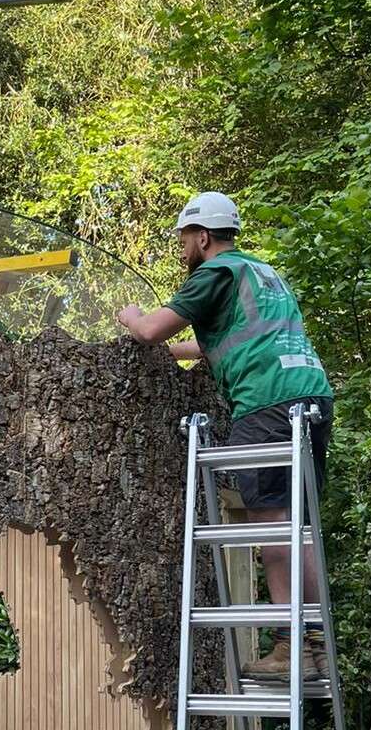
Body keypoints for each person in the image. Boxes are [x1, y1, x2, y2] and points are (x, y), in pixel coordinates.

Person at [117, 192, 333, 681]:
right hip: (310, 397)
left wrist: (130, 316)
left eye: (184, 239)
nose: (181, 248)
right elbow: (223, 340)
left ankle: (290, 646)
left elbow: (150, 330)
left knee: (272, 525)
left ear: (203, 236)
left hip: (267, 402)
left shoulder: (213, 273)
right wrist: (176, 354)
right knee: (298, 525)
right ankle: (314, 642)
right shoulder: (260, 272)